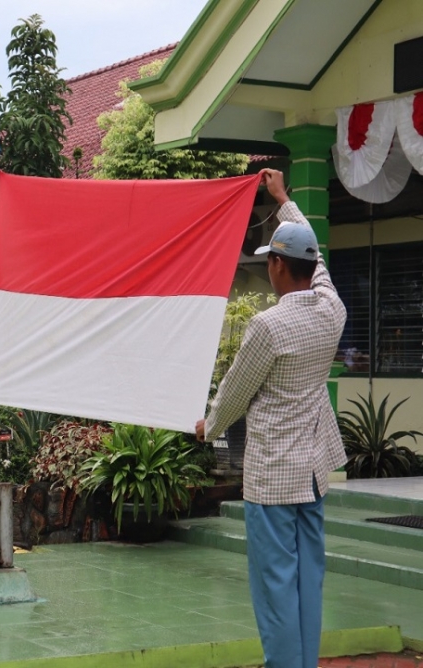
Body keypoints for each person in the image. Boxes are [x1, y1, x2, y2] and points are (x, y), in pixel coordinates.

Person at [196, 168, 347, 668]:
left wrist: (210, 427)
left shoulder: (268, 325)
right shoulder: (333, 309)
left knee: (275, 586)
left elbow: (235, 392)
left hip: (273, 476)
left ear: (279, 265)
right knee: (307, 579)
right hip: (312, 473)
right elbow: (318, 262)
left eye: (270, 261)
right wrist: (283, 199)